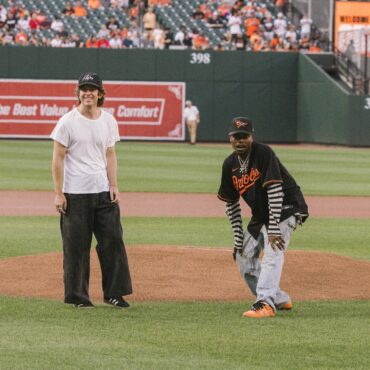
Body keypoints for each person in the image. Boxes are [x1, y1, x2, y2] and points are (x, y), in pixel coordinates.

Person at [51, 72, 133, 309]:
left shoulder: (109, 120)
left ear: (100, 94)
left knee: (113, 241)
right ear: (77, 93)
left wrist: (114, 184)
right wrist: (58, 192)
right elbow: (57, 157)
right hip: (75, 193)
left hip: (103, 192)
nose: (88, 92)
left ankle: (114, 293)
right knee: (76, 247)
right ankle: (79, 297)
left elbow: (110, 154)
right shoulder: (67, 121)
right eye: (83, 89)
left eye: (92, 89)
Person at [217, 117, 308, 318]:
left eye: (245, 136)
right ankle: (279, 298)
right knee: (243, 255)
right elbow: (231, 203)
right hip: (261, 214)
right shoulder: (229, 164)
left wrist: (274, 227)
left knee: (273, 251)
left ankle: (265, 303)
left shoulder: (263, 153)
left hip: (285, 207)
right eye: (236, 137)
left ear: (252, 136)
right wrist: (238, 236)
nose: (240, 141)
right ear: (230, 138)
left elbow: (275, 190)